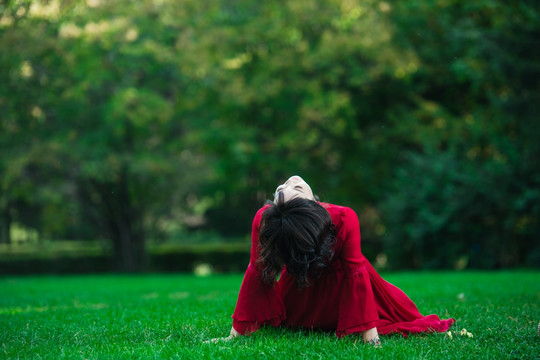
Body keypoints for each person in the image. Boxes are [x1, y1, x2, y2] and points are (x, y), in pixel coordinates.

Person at [212, 175, 455, 346]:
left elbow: (354, 274)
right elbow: (259, 271)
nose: (290, 182)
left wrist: (371, 338)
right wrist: (236, 334)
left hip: (337, 293)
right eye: (284, 191)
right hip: (302, 294)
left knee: (403, 309)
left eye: (288, 188)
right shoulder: (267, 221)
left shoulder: (343, 218)